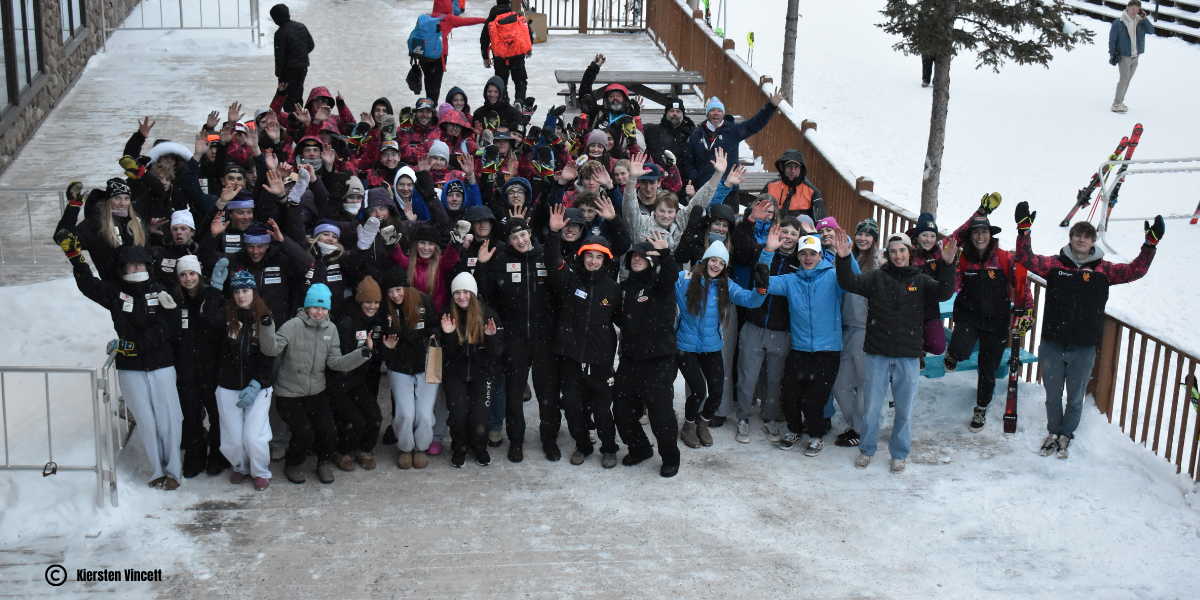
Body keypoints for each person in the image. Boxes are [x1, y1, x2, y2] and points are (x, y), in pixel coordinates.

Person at [1013, 202, 1161, 458]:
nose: (1081, 239)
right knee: (1052, 395)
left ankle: (1067, 435)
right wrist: (1024, 232)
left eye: (1086, 236)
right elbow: (1026, 259)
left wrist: (1150, 245)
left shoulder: (1105, 270)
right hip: (1052, 342)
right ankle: (1053, 432)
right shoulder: (1055, 265)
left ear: (1093, 241)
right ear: (1070, 239)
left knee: (1074, 397)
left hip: (1083, 346)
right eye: (1077, 235)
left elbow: (1136, 270)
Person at [833, 230, 958, 474]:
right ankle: (867, 449)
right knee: (871, 407)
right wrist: (844, 259)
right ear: (888, 254)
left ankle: (899, 453)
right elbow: (848, 283)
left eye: (902, 251)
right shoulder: (876, 277)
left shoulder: (920, 280)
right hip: (877, 353)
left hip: (908, 355)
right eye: (893, 251)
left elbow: (944, 293)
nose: (898, 255)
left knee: (904, 409)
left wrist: (948, 264)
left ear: (909, 253)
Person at [67, 244, 183, 490]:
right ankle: (157, 470)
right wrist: (77, 260)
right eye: (131, 265)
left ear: (148, 267)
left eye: (140, 264)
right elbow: (89, 286)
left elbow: (167, 329)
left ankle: (174, 470)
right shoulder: (115, 292)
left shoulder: (160, 291)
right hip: (130, 369)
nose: (136, 268)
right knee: (146, 421)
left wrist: (134, 346)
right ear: (123, 269)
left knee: (168, 420)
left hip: (161, 364)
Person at [260, 284, 373, 484]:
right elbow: (271, 350)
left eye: (323, 308)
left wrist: (362, 353)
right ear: (307, 307)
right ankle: (293, 464)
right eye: (315, 307)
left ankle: (323, 463)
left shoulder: (331, 329)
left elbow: (334, 362)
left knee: (329, 432)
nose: (319, 312)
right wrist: (267, 327)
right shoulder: (292, 326)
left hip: (316, 391)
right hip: (289, 393)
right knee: (305, 434)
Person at [945, 196, 1033, 433]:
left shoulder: (1005, 258)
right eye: (975, 232)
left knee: (988, 369)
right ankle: (953, 353)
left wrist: (1027, 311)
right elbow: (952, 283)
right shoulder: (963, 259)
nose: (980, 236)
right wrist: (947, 271)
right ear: (970, 236)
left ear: (990, 235)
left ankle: (981, 408)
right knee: (961, 351)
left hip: (997, 321)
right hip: (968, 316)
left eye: (984, 231)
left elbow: (1022, 285)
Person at [545, 205, 624, 468]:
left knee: (602, 411)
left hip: (600, 361)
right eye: (589, 255)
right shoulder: (570, 280)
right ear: (582, 257)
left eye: (598, 257)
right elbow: (553, 262)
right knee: (573, 409)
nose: (593, 261)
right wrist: (554, 235)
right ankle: (583, 445)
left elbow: (624, 321)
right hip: (570, 358)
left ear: (605, 261)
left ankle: (609, 448)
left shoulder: (613, 289)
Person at [475, 218, 559, 462]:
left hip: (544, 338)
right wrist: (482, 265)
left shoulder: (545, 256)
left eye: (523, 235)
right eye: (514, 237)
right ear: (508, 240)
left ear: (530, 233)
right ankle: (516, 441)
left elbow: (561, 289)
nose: (520, 241)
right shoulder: (501, 260)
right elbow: (485, 293)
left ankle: (549, 440)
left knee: (547, 394)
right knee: (514, 394)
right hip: (515, 338)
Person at [675, 241, 770, 449]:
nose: (716, 265)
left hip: (711, 346)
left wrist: (761, 289)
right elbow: (665, 288)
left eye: (721, 263)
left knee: (717, 391)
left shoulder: (726, 285)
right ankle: (689, 425)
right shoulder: (685, 279)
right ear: (706, 260)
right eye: (713, 260)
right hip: (686, 346)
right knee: (698, 390)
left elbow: (751, 300)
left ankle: (703, 424)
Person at [763, 230, 846, 456]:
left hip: (828, 350)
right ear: (798, 256)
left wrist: (846, 258)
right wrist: (768, 251)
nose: (808, 258)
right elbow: (762, 282)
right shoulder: (791, 280)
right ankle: (794, 430)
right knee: (789, 394)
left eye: (812, 253)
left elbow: (853, 282)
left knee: (814, 399)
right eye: (803, 253)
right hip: (799, 349)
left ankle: (816, 436)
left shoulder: (833, 277)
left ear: (820, 256)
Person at [613, 233, 681, 477]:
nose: (637, 259)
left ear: (652, 261)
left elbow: (670, 275)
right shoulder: (623, 288)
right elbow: (618, 317)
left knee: (660, 415)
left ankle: (670, 458)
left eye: (642, 256)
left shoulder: (659, 284)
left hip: (658, 360)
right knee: (622, 410)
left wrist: (666, 256)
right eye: (633, 256)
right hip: (630, 359)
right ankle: (640, 448)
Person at [730, 214, 803, 443]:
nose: (788, 237)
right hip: (754, 323)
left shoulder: (801, 261)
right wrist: (768, 248)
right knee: (747, 375)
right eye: (785, 231)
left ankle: (769, 417)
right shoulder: (764, 251)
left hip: (781, 330)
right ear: (777, 232)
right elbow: (747, 252)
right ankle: (743, 417)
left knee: (775, 379)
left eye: (793, 233)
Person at [214, 271, 276, 491]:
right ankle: (239, 466)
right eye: (237, 291)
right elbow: (207, 321)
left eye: (245, 290)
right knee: (233, 436)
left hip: (257, 388)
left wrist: (257, 382)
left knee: (254, 436)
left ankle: (260, 471)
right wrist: (214, 288)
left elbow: (269, 354)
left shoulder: (265, 319)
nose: (241, 296)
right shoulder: (226, 317)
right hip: (229, 385)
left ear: (253, 292)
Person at [170, 255, 228, 478]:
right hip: (186, 369)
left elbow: (218, 324)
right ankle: (195, 456)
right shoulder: (175, 300)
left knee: (216, 414)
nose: (188, 278)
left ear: (199, 275)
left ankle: (217, 454)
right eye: (183, 275)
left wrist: (210, 301)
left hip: (211, 367)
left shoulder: (212, 296)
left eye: (192, 273)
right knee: (192, 415)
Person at [440, 272, 505, 468]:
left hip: (482, 373)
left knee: (479, 416)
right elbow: (449, 352)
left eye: (466, 292)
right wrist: (449, 335)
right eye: (457, 293)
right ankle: (459, 447)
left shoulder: (488, 314)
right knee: (458, 414)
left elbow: (497, 352)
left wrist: (490, 338)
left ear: (473, 293)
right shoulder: (448, 314)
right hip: (455, 373)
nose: (462, 297)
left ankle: (479, 447)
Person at [379, 269, 440, 469]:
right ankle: (405, 447)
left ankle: (421, 447)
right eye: (390, 291)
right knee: (405, 413)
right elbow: (382, 340)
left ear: (405, 286)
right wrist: (388, 349)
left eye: (398, 289)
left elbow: (434, 324)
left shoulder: (423, 301)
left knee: (424, 413)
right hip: (399, 366)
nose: (395, 295)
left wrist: (433, 334)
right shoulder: (385, 309)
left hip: (426, 364)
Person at [328, 277, 387, 472]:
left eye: (376, 302)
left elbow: (378, 353)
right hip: (338, 382)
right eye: (368, 301)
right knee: (355, 421)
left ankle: (364, 449)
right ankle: (342, 451)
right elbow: (344, 358)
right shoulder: (346, 322)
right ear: (359, 301)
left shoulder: (376, 321)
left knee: (375, 416)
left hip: (358, 380)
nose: (372, 306)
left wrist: (385, 349)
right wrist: (366, 351)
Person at [830, 218, 879, 448]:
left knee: (864, 383)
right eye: (860, 233)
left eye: (868, 235)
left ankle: (861, 429)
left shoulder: (877, 263)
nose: (863, 238)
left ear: (874, 239)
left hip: (866, 328)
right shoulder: (844, 256)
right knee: (840, 382)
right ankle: (856, 424)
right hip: (844, 327)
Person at [683, 90, 783, 193]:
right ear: (707, 114)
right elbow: (688, 160)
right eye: (712, 110)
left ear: (723, 114)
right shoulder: (696, 135)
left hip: (728, 188)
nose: (716, 113)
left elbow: (754, 124)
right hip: (704, 188)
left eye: (719, 111)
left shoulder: (732, 131)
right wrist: (696, 178)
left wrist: (770, 107)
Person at [906, 212, 947, 357]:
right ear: (917, 236)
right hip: (907, 309)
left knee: (938, 346)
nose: (929, 239)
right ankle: (916, 354)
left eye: (932, 235)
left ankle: (920, 348)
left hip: (929, 309)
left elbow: (959, 235)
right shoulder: (907, 251)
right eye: (925, 235)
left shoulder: (938, 254)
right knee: (907, 343)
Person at [481, 1, 534, 105]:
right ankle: (519, 100)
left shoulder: (491, 19)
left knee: (501, 82)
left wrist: (485, 58)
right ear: (509, 4)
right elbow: (527, 32)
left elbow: (484, 40)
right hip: (518, 55)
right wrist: (528, 48)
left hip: (500, 58)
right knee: (520, 80)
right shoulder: (517, 16)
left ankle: (504, 102)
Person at [1109, 0, 1154, 114]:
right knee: (1124, 78)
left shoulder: (1140, 22)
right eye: (1133, 9)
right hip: (1124, 55)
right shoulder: (1118, 22)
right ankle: (1117, 103)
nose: (1135, 11)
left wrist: (1145, 18)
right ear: (1128, 8)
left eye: (1137, 10)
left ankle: (1120, 101)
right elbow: (1112, 39)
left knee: (1128, 79)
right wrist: (1112, 54)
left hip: (1135, 55)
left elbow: (1151, 31)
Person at [269, 4, 315, 110]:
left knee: (288, 96)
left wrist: (278, 72)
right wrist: (301, 54)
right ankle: (299, 114)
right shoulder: (301, 26)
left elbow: (280, 55)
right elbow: (311, 45)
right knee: (298, 92)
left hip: (288, 69)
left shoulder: (280, 33)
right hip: (303, 66)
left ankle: (290, 117)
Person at [769, 149, 824, 220]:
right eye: (789, 166)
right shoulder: (770, 186)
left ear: (801, 169)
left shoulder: (812, 192)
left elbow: (820, 222)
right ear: (783, 168)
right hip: (773, 226)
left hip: (800, 227)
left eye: (796, 167)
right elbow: (758, 214)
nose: (792, 171)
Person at [644, 98, 694, 169]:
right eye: (671, 111)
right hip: (657, 174)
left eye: (678, 111)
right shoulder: (652, 130)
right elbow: (635, 130)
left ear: (683, 115)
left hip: (681, 175)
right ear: (666, 113)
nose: (675, 114)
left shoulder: (691, 134)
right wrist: (634, 115)